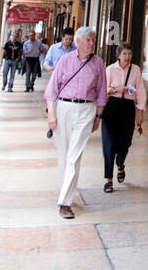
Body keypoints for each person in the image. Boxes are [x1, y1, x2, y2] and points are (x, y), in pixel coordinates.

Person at [44, 25, 107, 219]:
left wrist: (98, 116)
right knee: (64, 155)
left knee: (74, 154)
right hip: (64, 108)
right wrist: (52, 115)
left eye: (93, 40)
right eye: (88, 40)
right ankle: (68, 190)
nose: (91, 44)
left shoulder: (98, 63)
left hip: (86, 110)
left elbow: (102, 93)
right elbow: (52, 90)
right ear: (78, 42)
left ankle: (64, 201)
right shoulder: (65, 60)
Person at [101, 43, 146, 191]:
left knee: (125, 142)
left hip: (127, 107)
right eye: (124, 54)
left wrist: (141, 111)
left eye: (130, 54)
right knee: (109, 144)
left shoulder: (135, 70)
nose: (127, 57)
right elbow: (103, 90)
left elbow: (140, 90)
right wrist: (117, 89)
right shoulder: (110, 69)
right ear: (118, 55)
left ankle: (120, 163)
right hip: (111, 107)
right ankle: (108, 179)